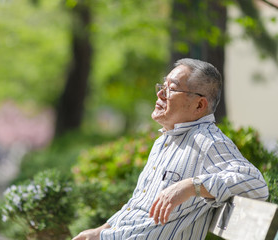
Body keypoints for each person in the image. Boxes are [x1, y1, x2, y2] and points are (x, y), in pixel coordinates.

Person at [73, 58, 269, 240]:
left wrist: (191, 186)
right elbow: (137, 205)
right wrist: (100, 231)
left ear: (199, 105)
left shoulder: (207, 141)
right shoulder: (164, 141)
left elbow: (256, 184)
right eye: (162, 86)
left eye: (171, 89)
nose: (160, 94)